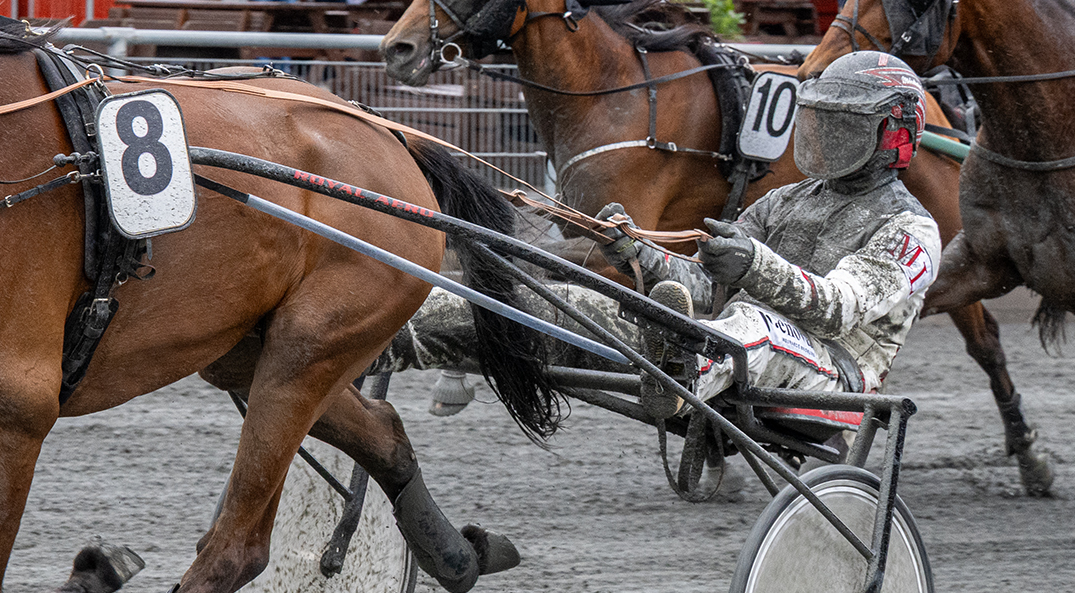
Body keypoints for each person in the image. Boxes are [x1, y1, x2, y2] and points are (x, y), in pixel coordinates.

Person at [394, 51, 941, 421]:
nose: (825, 137)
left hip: (835, 377)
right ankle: (396, 334)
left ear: (891, 134)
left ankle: (683, 371)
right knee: (567, 301)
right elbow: (702, 287)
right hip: (720, 343)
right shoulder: (785, 199)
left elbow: (838, 310)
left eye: (843, 126)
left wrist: (753, 266)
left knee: (753, 325)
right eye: (822, 121)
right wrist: (639, 254)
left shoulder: (912, 230)